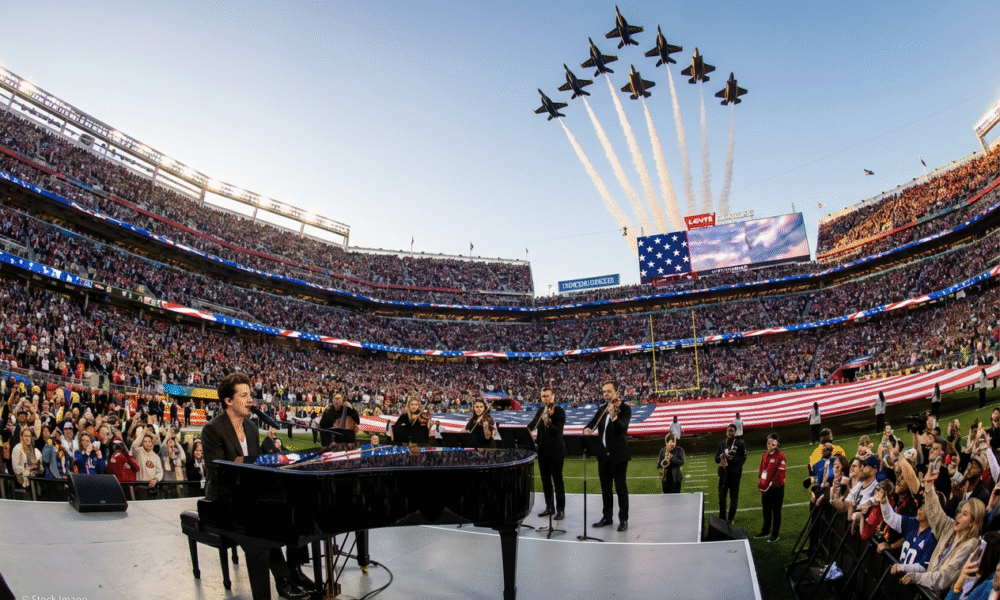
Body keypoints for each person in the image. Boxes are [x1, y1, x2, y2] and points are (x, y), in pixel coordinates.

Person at [202, 373, 314, 599]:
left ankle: (296, 570)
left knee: (294, 510)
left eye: (250, 394)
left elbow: (258, 464)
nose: (250, 400)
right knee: (263, 523)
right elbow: (217, 473)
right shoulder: (213, 429)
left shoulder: (252, 429)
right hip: (225, 500)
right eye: (243, 395)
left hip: (251, 494)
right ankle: (282, 579)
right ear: (228, 401)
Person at [584, 380, 631, 532]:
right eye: (604, 391)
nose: (606, 394)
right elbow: (592, 423)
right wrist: (587, 429)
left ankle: (623, 519)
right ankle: (607, 517)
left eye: (609, 391)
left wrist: (614, 416)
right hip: (603, 455)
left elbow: (623, 429)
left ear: (616, 392)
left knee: (620, 488)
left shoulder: (624, 409)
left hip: (618, 455)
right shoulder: (602, 409)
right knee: (606, 488)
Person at [528, 387, 566, 519]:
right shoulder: (540, 411)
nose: (545, 398)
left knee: (557, 479)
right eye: (543, 396)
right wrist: (525, 431)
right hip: (542, 451)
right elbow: (532, 425)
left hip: (556, 450)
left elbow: (559, 430)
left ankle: (560, 510)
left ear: (553, 396)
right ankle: (549, 507)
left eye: (547, 395)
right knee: (545, 481)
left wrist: (549, 423)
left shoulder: (559, 411)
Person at [755, 433, 786, 542]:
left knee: (776, 511)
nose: (770, 445)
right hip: (766, 489)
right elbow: (761, 470)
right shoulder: (765, 455)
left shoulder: (781, 456)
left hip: (776, 488)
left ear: (777, 443)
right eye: (768, 443)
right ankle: (765, 531)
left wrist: (770, 484)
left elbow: (780, 473)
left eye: (772, 443)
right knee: (766, 510)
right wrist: (761, 483)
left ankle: (775, 533)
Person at [715, 424, 746, 524]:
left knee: (733, 497)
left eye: (732, 431)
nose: (730, 432)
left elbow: (743, 459)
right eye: (729, 430)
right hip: (723, 475)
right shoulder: (721, 443)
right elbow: (715, 458)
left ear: (735, 432)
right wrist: (721, 458)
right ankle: (722, 517)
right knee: (722, 498)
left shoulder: (740, 443)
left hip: (735, 475)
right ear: (726, 432)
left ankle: (731, 518)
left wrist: (732, 459)